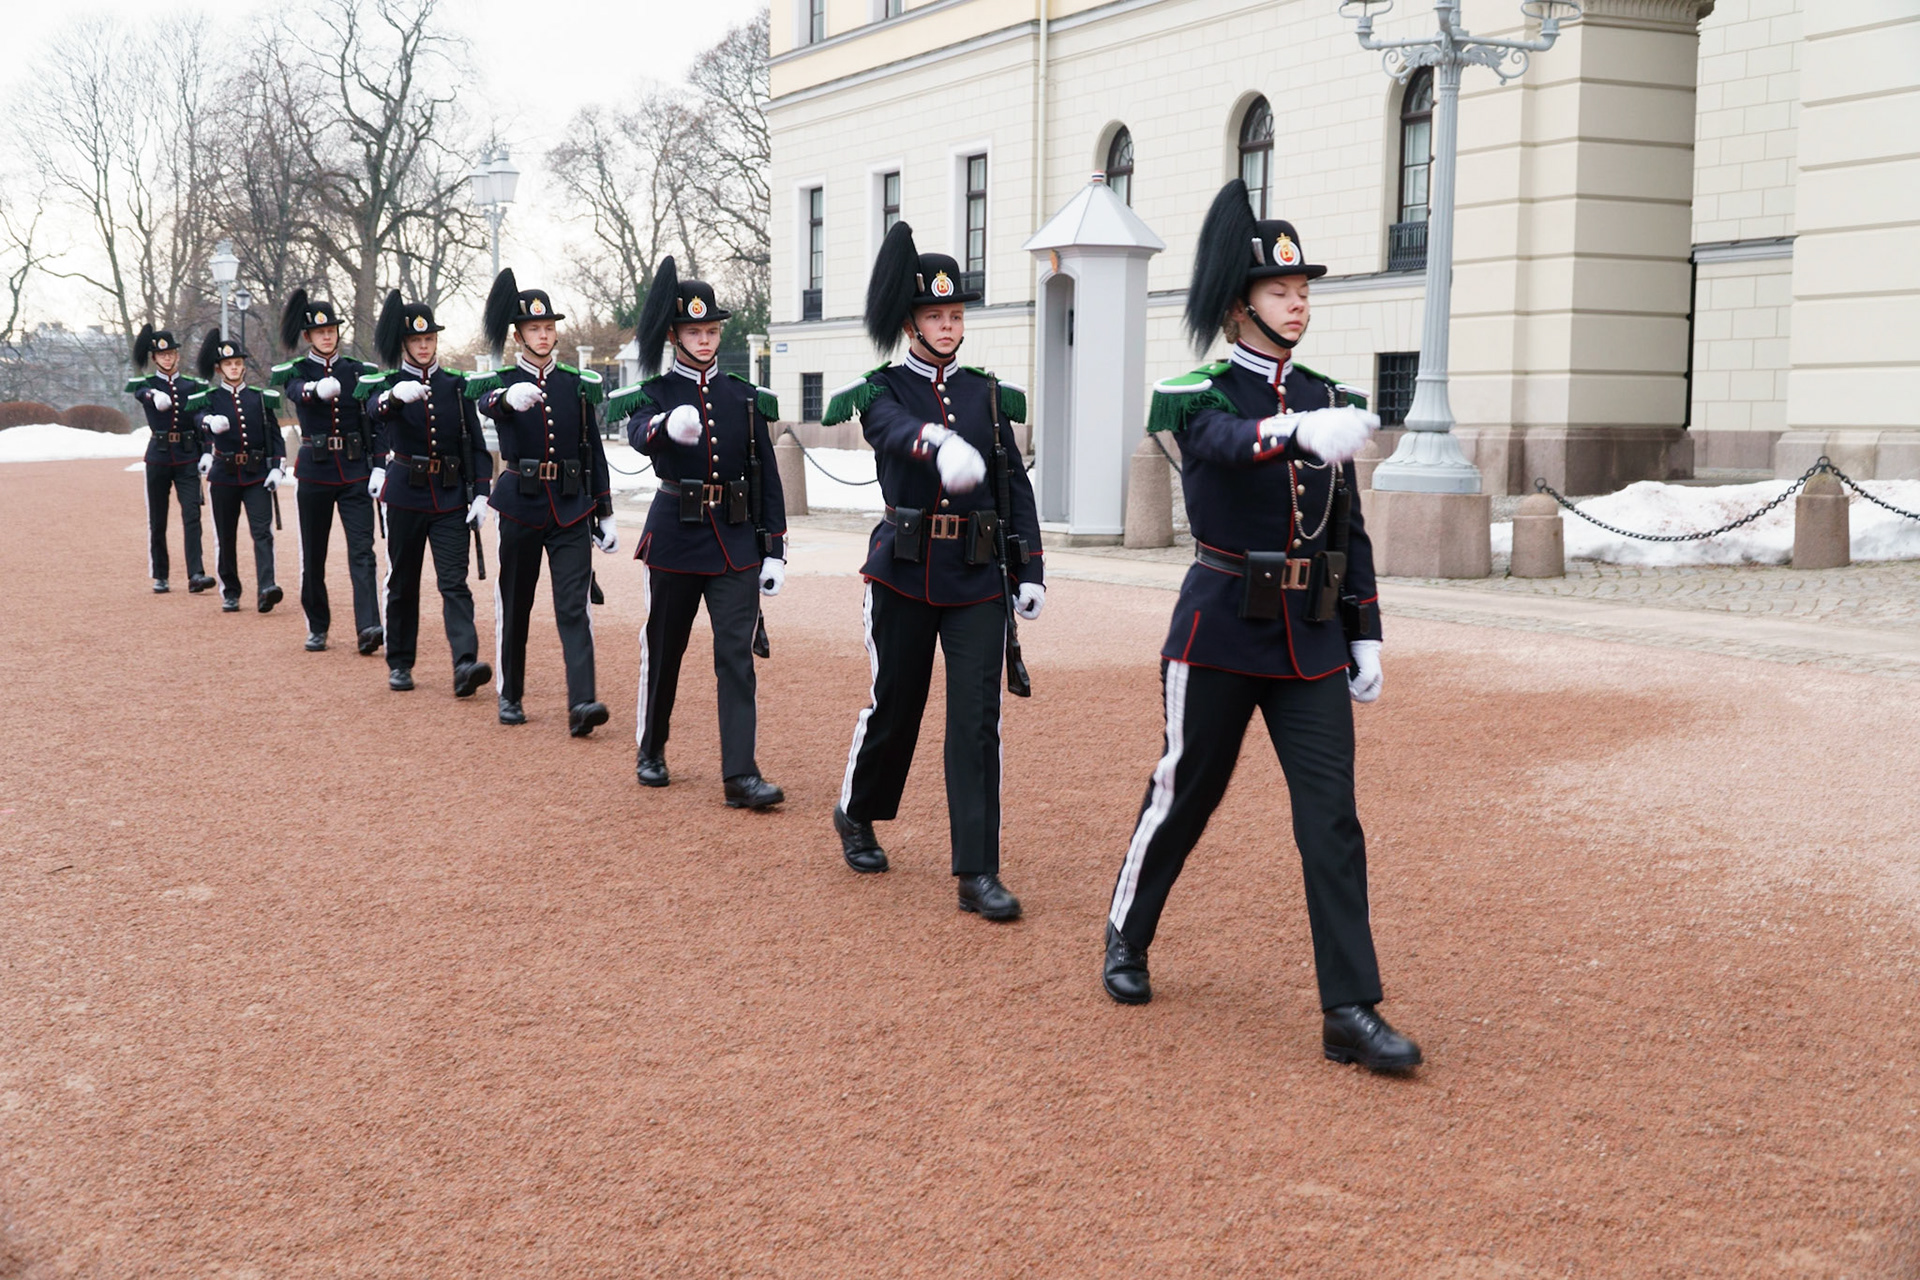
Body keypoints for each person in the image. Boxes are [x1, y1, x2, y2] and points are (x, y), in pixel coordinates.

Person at [1099, 179, 1421, 1073]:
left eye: (1306, 290)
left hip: (1309, 634)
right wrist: (1291, 431)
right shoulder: (1198, 392)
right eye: (1283, 292)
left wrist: (1365, 627)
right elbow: (1222, 449)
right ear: (1242, 302)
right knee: (1185, 792)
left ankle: (1349, 1009)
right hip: (1221, 628)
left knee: (1332, 819)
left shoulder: (1327, 394)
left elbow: (1345, 526)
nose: (1300, 303)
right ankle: (1128, 931)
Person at [822, 221, 1045, 922]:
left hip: (977, 574)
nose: (948, 326)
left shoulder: (984, 393)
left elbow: (1012, 483)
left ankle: (977, 870)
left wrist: (1030, 565)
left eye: (955, 315)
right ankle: (857, 811)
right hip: (906, 569)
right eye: (934, 316)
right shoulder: (884, 388)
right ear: (911, 321)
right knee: (897, 705)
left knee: (977, 721)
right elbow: (887, 430)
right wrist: (935, 441)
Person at [614, 258, 787, 810]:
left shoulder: (743, 396)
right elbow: (638, 433)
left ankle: (741, 774)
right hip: (677, 535)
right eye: (695, 331)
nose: (706, 340)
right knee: (665, 650)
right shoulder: (659, 390)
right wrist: (666, 426)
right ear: (674, 335)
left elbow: (767, 478)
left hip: (735, 539)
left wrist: (774, 548)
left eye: (712, 331)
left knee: (734, 656)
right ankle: (652, 747)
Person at [474, 268, 616, 735]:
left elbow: (592, 447)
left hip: (572, 506)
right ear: (519, 334)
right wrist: (505, 398)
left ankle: (582, 702)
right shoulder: (504, 381)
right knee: (516, 603)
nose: (543, 335)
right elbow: (485, 402)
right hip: (521, 503)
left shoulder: (576, 383)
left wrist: (605, 510)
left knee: (573, 606)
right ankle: (510, 693)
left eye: (549, 327)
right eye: (534, 328)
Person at [362, 289, 494, 698]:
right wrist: (391, 397)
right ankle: (400, 661)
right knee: (403, 581)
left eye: (430, 339)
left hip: (451, 495)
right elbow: (371, 411)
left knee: (454, 582)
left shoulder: (456, 386)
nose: (424, 346)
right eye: (417, 340)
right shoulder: (388, 385)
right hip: (404, 494)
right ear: (404, 344)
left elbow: (474, 444)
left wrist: (480, 493)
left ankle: (464, 663)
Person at [273, 290, 383, 655]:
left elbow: (373, 422)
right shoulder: (298, 372)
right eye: (319, 332)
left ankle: (368, 626)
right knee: (314, 552)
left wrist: (379, 466)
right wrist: (314, 389)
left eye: (331, 330)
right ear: (308, 336)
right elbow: (295, 392)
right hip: (316, 471)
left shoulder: (356, 371)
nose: (327, 336)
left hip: (353, 470)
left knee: (362, 551)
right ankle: (317, 625)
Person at [189, 330, 285, 615]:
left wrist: (277, 467)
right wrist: (208, 421)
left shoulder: (259, 398)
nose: (234, 367)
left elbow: (275, 436)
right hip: (224, 474)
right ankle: (230, 590)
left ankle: (267, 587)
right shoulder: (210, 398)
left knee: (262, 532)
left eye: (238, 362)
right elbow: (197, 417)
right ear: (219, 368)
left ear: (243, 365)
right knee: (226, 535)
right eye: (228, 363)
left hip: (256, 474)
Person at [126, 324, 214, 595]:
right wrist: (155, 395)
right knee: (158, 518)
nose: (167, 358)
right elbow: (141, 393)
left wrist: (208, 451)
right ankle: (161, 575)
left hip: (187, 456)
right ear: (154, 358)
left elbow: (203, 418)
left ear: (177, 355)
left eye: (171, 354)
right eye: (161, 355)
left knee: (192, 515)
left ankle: (196, 573)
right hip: (159, 456)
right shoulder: (147, 384)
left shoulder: (193, 385)